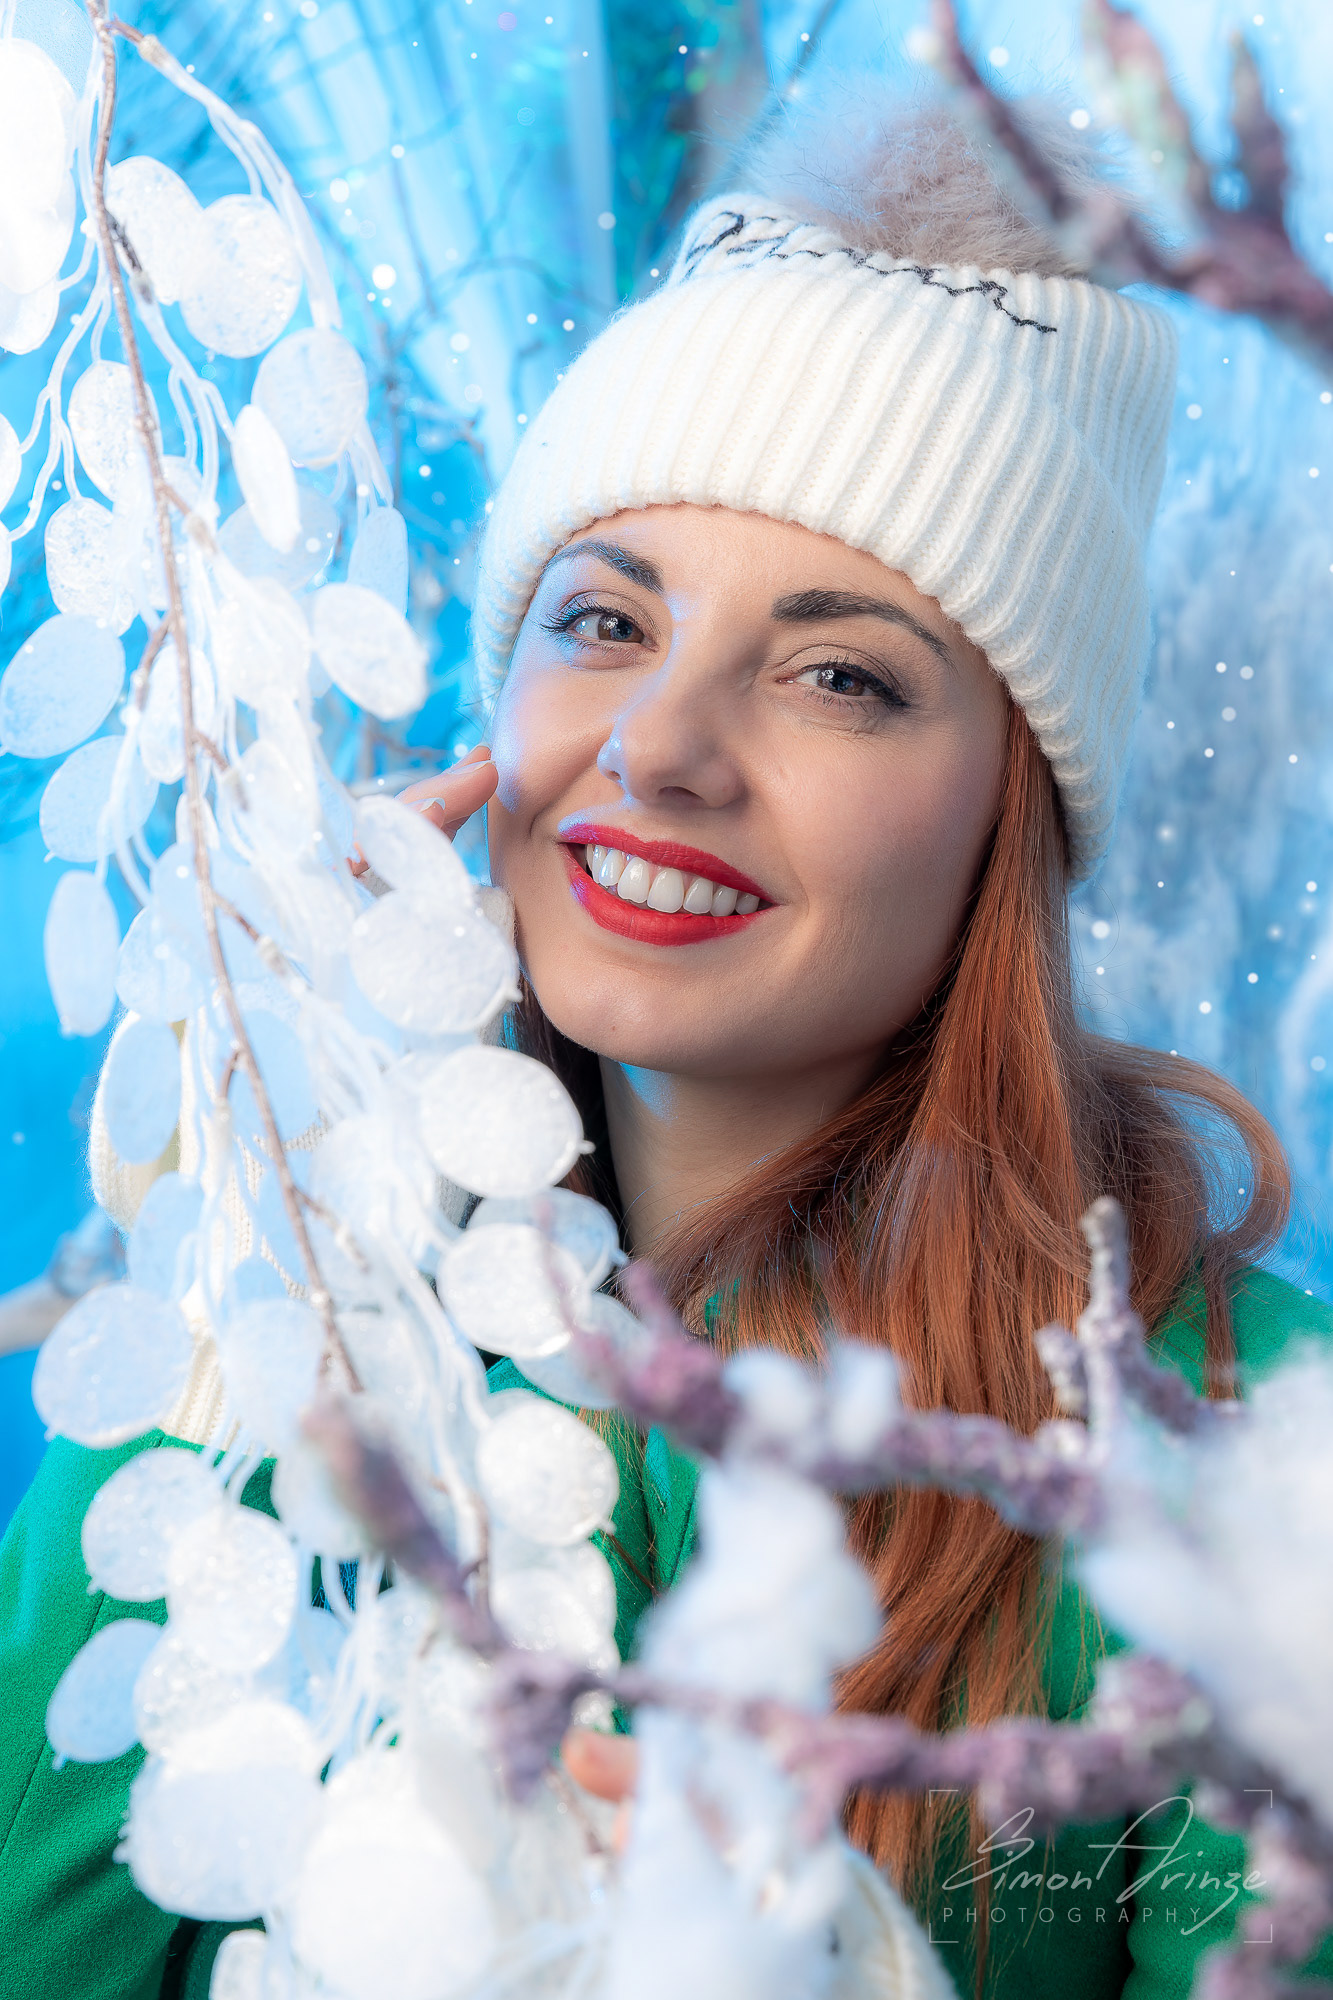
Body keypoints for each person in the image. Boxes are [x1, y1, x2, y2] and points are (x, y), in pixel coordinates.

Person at [2, 88, 1331, 2000]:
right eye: (604, 618)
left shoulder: (1245, 1453)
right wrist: (259, 1231)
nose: (657, 747)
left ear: (1013, 812)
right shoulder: (313, 1302)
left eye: (838, 673)